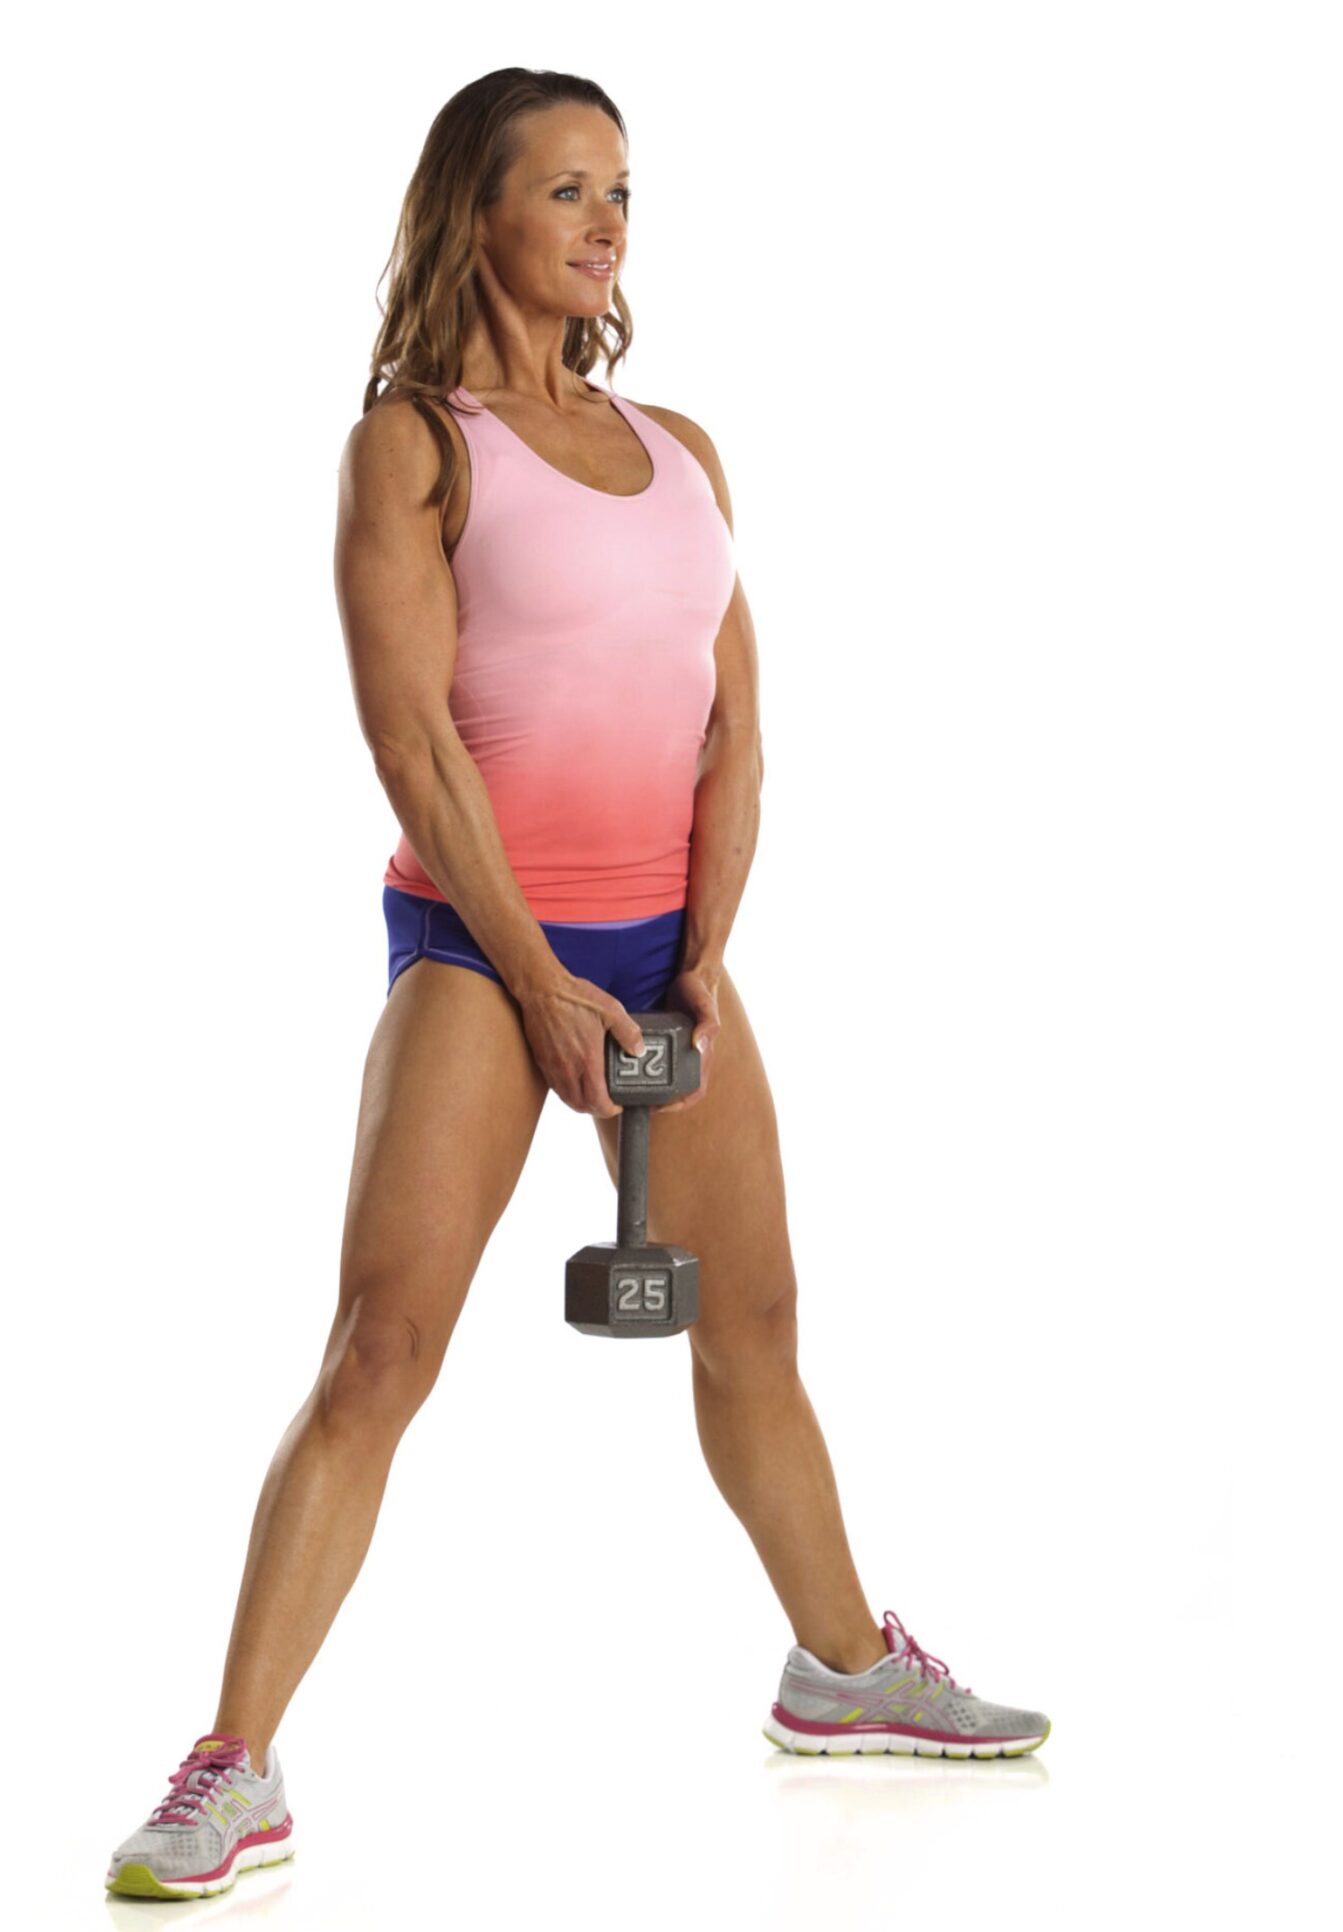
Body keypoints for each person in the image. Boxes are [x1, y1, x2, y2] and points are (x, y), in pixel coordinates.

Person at [103, 68, 1047, 1903]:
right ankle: (233, 1767)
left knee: (756, 1320)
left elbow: (735, 714)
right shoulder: (415, 448)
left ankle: (844, 1668)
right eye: (565, 189)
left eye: (622, 188)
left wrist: (706, 945)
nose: (607, 221)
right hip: (483, 948)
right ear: (476, 214)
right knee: (382, 1350)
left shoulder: (681, 446)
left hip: (665, 958)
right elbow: (413, 748)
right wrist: (535, 981)